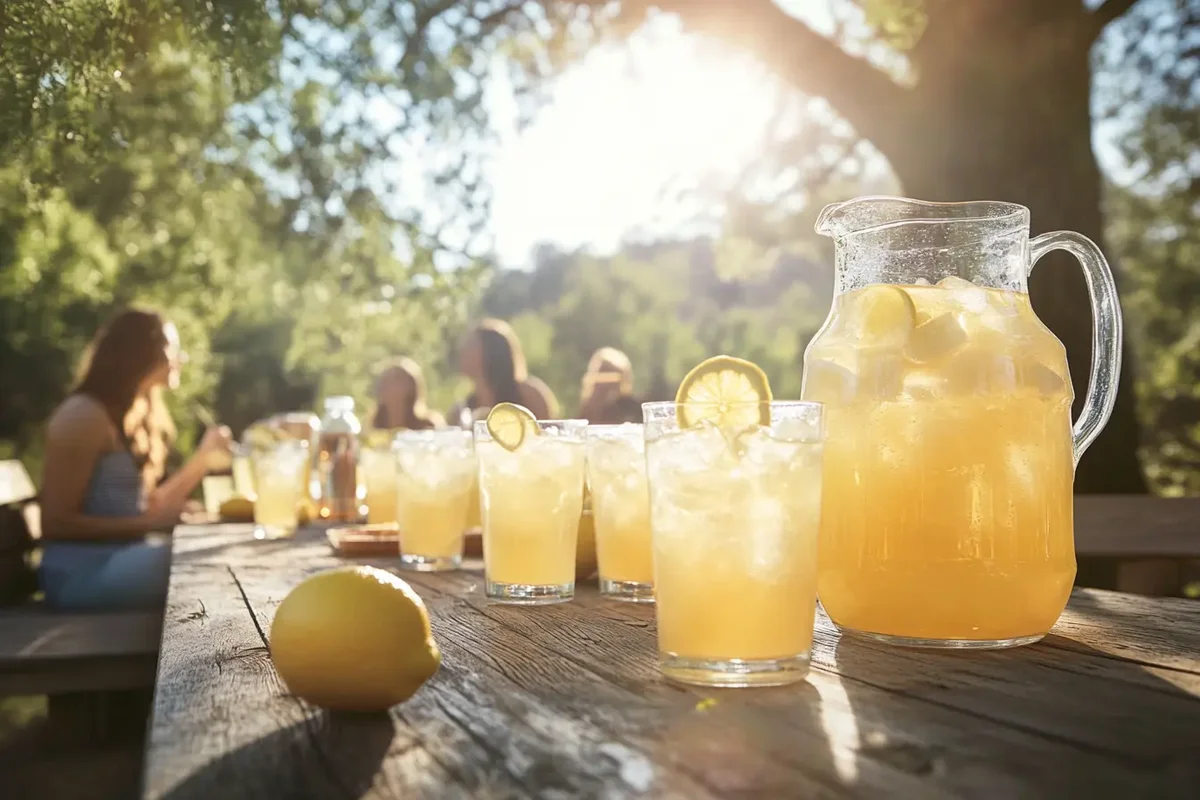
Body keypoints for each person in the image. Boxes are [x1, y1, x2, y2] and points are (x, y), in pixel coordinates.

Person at [38, 309, 232, 611]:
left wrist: (203, 461)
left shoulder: (139, 413)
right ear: (140, 352)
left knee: (218, 550)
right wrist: (152, 522)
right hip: (78, 574)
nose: (181, 358)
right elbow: (55, 523)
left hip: (124, 559)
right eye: (173, 348)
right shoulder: (83, 415)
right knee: (211, 560)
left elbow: (148, 507)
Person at [448, 319, 560, 425]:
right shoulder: (463, 411)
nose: (462, 351)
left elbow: (548, 435)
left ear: (491, 351)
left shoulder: (530, 395)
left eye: (471, 345)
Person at [370, 357, 444, 431]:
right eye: (385, 382)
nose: (389, 387)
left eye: (396, 380)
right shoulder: (372, 427)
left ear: (412, 387)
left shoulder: (428, 426)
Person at [578, 347, 642, 425]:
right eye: (601, 379)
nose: (606, 387)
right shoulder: (587, 410)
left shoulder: (634, 410)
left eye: (613, 379)